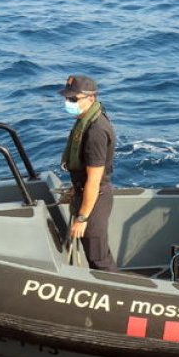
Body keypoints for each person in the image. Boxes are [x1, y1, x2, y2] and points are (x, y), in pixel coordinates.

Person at [58, 74, 117, 271]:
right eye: (67, 98)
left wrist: (82, 218)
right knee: (95, 255)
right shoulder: (85, 120)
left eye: (73, 99)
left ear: (91, 98)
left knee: (99, 258)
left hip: (95, 197)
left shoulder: (96, 132)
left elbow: (94, 179)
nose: (68, 102)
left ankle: (117, 295)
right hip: (85, 192)